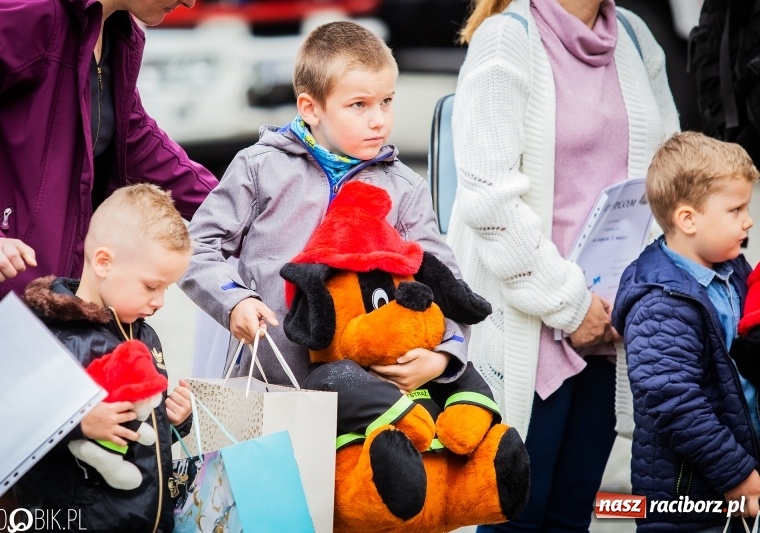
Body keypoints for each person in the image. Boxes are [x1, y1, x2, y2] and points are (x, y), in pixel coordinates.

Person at [446, 0, 679, 530]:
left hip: (609, 326)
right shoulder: (506, 41)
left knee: (573, 516)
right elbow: (488, 199)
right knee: (517, 518)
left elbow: (669, 179)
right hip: (530, 330)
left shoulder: (637, 39)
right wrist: (571, 306)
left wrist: (634, 294)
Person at [179, 20, 475, 395]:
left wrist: (446, 354)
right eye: (359, 105)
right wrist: (233, 299)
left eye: (387, 101)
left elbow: (446, 282)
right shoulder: (259, 168)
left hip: (368, 402)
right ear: (311, 108)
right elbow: (196, 247)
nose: (379, 120)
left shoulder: (405, 189)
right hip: (268, 387)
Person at [0, 0, 218, 336]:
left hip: (49, 307)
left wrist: (235, 211)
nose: (190, 2)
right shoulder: (30, 12)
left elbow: (134, 136)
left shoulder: (118, 34)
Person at [15, 183, 194, 532]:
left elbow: (140, 439)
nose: (159, 302)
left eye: (166, 289)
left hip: (148, 521)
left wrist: (174, 421)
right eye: (150, 286)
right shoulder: (55, 335)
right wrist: (80, 423)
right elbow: (14, 423)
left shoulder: (145, 335)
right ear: (103, 262)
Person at [613, 132, 760, 532]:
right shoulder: (660, 303)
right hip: (686, 501)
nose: (748, 220)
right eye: (736, 209)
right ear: (688, 219)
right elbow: (675, 402)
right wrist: (737, 474)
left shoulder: (732, 270)